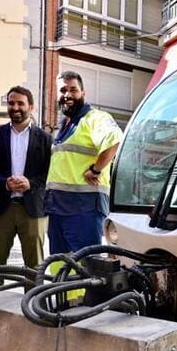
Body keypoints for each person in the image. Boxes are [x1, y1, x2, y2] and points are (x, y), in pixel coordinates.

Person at [46, 71, 122, 254]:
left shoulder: (95, 118)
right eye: (63, 90)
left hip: (84, 210)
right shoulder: (64, 125)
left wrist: (96, 170)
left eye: (74, 89)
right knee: (59, 266)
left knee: (87, 267)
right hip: (58, 209)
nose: (68, 94)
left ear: (83, 93)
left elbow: (114, 139)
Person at [0, 86, 52, 283]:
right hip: (0, 210)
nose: (15, 107)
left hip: (33, 211)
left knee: (34, 266)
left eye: (20, 103)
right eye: (11, 103)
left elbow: (49, 174)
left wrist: (30, 183)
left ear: (31, 107)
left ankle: (32, 310)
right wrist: (4, 183)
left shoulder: (45, 139)